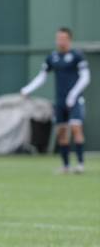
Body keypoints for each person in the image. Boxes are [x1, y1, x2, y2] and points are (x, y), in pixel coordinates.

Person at [20, 27, 91, 174]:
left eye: (63, 38)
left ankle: (80, 165)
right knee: (61, 132)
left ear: (69, 39)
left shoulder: (77, 56)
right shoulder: (53, 57)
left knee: (76, 128)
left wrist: (73, 94)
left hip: (75, 99)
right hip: (60, 100)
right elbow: (42, 77)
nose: (60, 41)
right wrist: (27, 89)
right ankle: (65, 166)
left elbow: (85, 77)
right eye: (58, 38)